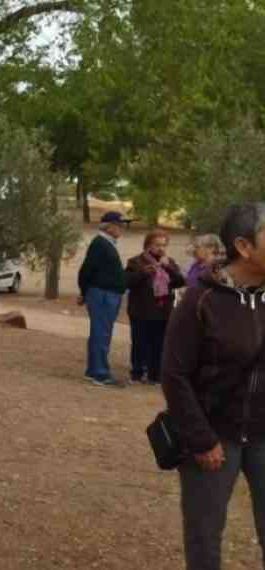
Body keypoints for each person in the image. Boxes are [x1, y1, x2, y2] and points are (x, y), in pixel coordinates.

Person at [162, 202, 265, 570]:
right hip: (213, 437)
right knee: (205, 538)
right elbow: (174, 374)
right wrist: (202, 439)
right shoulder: (201, 300)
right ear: (244, 246)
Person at [77, 210, 131, 387]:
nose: (123, 228)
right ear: (110, 226)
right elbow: (86, 271)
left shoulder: (106, 243)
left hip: (106, 293)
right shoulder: (100, 244)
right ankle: (99, 373)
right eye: (120, 225)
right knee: (101, 333)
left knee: (101, 333)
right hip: (102, 294)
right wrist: (85, 292)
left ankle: (94, 370)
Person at [124, 229, 185, 385]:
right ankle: (137, 373)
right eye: (157, 245)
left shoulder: (169, 262)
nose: (161, 248)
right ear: (148, 245)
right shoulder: (135, 262)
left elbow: (180, 282)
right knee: (139, 343)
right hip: (141, 310)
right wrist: (143, 273)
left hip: (162, 311)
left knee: (159, 344)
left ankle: (154, 375)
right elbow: (127, 282)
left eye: (164, 245)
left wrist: (168, 268)